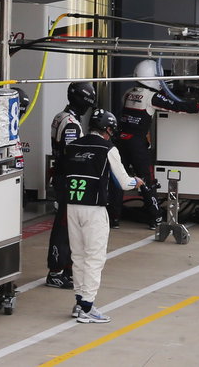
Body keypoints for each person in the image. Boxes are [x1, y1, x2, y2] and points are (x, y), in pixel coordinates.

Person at [62, 109, 140, 324]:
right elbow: (125, 183)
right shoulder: (108, 148)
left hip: (72, 206)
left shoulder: (73, 146)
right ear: (107, 129)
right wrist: (138, 182)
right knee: (94, 258)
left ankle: (79, 303)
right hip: (93, 209)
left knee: (77, 256)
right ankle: (87, 306)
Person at [116, 60, 190, 226]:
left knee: (119, 180)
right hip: (137, 145)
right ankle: (155, 218)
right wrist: (198, 106)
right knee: (147, 181)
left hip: (121, 142)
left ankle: (113, 218)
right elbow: (177, 106)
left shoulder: (127, 93)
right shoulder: (152, 97)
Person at [46, 81, 95, 289]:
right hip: (67, 180)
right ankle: (56, 272)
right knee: (65, 226)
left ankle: (65, 268)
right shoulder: (72, 124)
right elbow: (72, 155)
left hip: (61, 176)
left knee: (69, 225)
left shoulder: (60, 116)